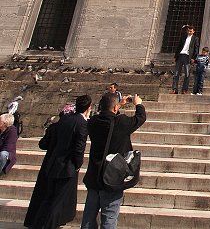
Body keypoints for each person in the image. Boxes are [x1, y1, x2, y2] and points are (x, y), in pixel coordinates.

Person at [24, 95, 93, 229]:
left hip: (53, 164)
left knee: (49, 198)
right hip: (67, 167)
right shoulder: (82, 124)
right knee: (58, 201)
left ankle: (38, 224)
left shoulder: (63, 121)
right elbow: (79, 148)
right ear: (88, 108)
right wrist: (77, 165)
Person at [81, 92, 146, 229]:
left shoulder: (93, 123)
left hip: (94, 176)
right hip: (112, 176)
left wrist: (118, 104)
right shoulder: (121, 122)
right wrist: (138, 104)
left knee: (88, 217)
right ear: (116, 108)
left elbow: (105, 115)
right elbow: (140, 117)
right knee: (109, 217)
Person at [172, 24, 199, 94]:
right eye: (188, 31)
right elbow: (179, 46)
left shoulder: (195, 39)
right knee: (176, 73)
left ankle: (184, 89)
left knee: (187, 74)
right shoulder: (183, 37)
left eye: (191, 31)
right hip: (180, 55)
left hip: (188, 57)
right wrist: (175, 56)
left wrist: (193, 58)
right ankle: (175, 89)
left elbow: (196, 49)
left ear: (193, 31)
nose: (189, 32)